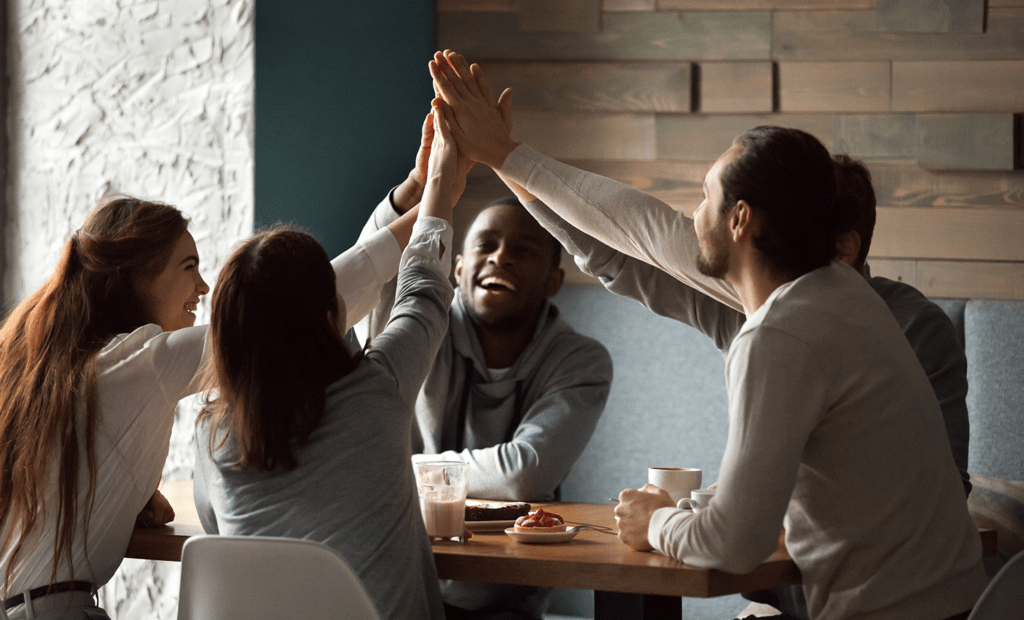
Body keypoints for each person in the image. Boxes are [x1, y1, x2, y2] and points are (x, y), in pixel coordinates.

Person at [430, 50, 986, 620]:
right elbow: (634, 227)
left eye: (704, 197)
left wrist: (657, 521)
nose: (691, 216)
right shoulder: (844, 298)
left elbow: (735, 544)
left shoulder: (780, 334)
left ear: (740, 219)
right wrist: (505, 159)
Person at [192, 101, 461, 620]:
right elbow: (423, 291)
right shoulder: (377, 393)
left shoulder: (212, 433)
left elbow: (213, 525)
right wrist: (445, 180)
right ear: (335, 309)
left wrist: (422, 188)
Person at [358, 192, 613, 620]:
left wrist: (398, 470)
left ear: (554, 280)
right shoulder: (419, 331)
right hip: (399, 579)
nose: (501, 258)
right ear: (457, 270)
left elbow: (524, 474)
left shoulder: (580, 361)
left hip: (507, 599)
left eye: (524, 250)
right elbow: (372, 281)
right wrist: (412, 190)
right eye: (485, 245)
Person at [0, 196, 210, 620]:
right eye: (189, 267)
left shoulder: (29, 361)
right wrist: (386, 226)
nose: (203, 287)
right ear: (136, 277)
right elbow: (272, 322)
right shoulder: (136, 363)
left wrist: (129, 497)